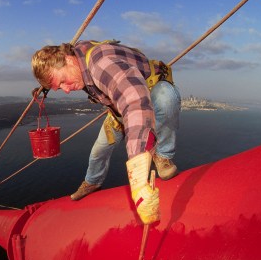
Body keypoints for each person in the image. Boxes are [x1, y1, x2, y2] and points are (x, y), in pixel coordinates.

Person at [31, 40, 181, 224]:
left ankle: (163, 154)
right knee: (98, 152)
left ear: (69, 60)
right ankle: (92, 182)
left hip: (149, 97)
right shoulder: (75, 62)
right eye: (60, 87)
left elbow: (134, 102)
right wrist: (45, 87)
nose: (67, 90)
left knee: (166, 99)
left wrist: (139, 177)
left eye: (63, 82)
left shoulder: (100, 63)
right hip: (118, 113)